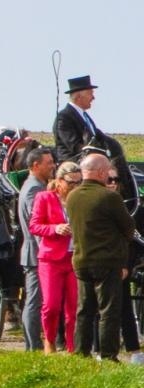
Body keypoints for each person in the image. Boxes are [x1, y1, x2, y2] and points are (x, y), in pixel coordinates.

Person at [66, 152, 138, 360]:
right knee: (108, 311)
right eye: (107, 172)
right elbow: (128, 227)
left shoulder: (73, 196)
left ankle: (81, 352)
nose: (109, 177)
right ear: (100, 172)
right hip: (107, 261)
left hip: (81, 260)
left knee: (84, 310)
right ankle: (108, 355)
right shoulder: (109, 197)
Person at [18, 148, 57, 351]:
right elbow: (38, 226)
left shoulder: (38, 186)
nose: (53, 166)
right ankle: (32, 347)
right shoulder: (34, 189)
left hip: (39, 254)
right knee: (34, 301)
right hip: (37, 255)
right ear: (35, 165)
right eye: (48, 162)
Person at [53, 75, 104, 164]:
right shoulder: (64, 118)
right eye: (90, 93)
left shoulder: (86, 117)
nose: (93, 97)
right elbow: (75, 146)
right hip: (72, 169)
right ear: (78, 96)